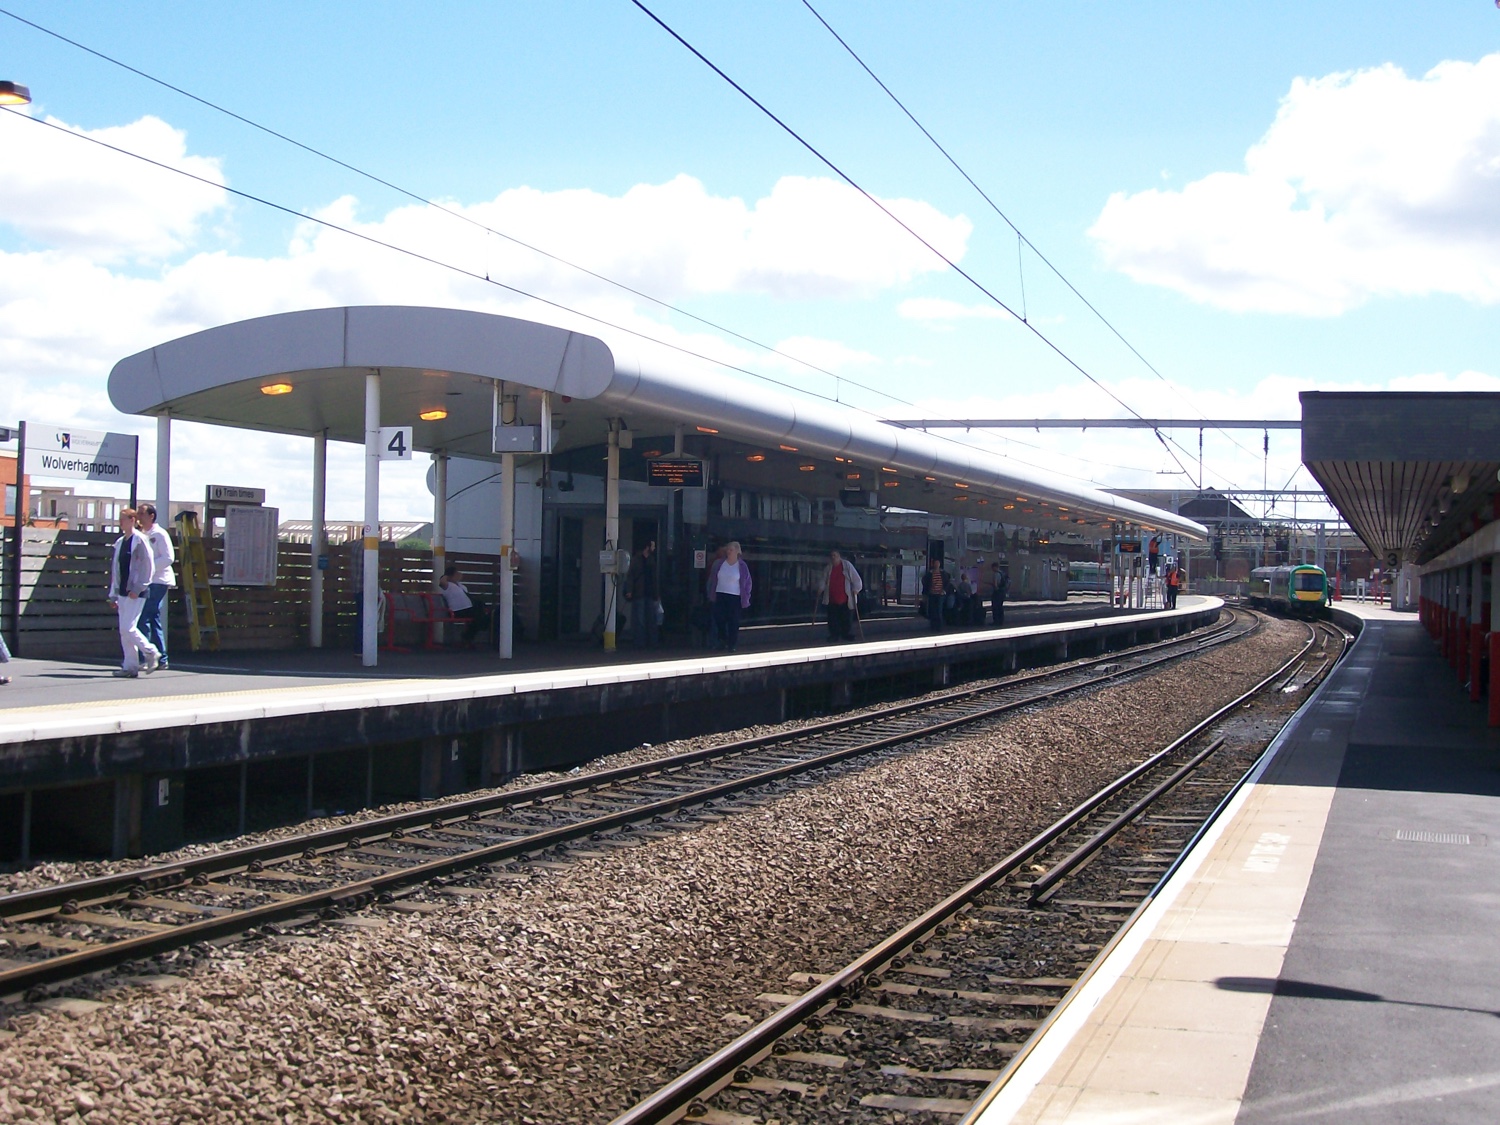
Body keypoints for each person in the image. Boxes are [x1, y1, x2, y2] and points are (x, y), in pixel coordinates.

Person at [107, 508, 160, 678]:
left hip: (136, 592)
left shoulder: (140, 540)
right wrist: (113, 594)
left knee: (128, 628)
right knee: (124, 630)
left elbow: (147, 566)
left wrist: (138, 588)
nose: (120, 522)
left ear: (132, 520)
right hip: (122, 591)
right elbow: (117, 570)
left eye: (123, 519)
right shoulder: (121, 542)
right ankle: (130, 666)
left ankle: (151, 651)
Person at [136, 502, 176, 670]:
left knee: (144, 616)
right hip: (146, 580)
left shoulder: (159, 534)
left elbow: (168, 558)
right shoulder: (141, 534)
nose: (139, 517)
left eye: (142, 514)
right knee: (153, 618)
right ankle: (162, 657)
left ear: (151, 516)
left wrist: (149, 567)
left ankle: (146, 656)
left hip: (158, 581)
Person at [706, 540, 751, 652]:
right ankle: (722, 639)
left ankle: (732, 644)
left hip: (735, 596)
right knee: (719, 618)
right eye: (728, 549)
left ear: (737, 551)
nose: (728, 551)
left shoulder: (742, 566)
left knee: (733, 621)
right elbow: (712, 579)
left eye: (731, 549)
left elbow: (748, 582)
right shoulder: (719, 563)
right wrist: (710, 592)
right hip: (720, 594)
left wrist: (746, 595)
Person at [817, 550, 863, 642]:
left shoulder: (847, 565)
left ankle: (846, 634)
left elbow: (856, 578)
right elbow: (823, 579)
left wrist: (856, 589)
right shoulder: (828, 568)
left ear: (839, 556)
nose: (833, 557)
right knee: (833, 619)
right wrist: (820, 588)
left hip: (845, 598)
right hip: (832, 598)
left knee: (846, 618)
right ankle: (834, 635)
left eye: (835, 555)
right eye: (832, 555)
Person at [439, 564, 487, 646]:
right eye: (456, 573)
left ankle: (468, 637)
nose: (459, 574)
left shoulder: (461, 586)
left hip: (467, 609)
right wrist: (447, 575)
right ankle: (467, 637)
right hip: (457, 610)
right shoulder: (448, 586)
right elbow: (442, 581)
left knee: (479, 616)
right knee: (478, 617)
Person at [627, 539, 660, 649]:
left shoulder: (650, 560)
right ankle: (640, 643)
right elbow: (631, 576)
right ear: (647, 547)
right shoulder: (637, 560)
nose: (654, 548)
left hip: (649, 593)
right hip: (640, 593)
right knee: (640, 619)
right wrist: (629, 591)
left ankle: (650, 642)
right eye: (652, 546)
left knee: (651, 618)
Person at [921, 558, 945, 631]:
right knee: (933, 610)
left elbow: (946, 582)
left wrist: (944, 590)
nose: (937, 565)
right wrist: (927, 591)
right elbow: (925, 581)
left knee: (939, 610)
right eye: (935, 563)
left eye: (938, 563)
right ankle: (933, 626)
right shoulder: (930, 574)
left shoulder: (943, 573)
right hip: (932, 594)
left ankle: (939, 626)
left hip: (940, 594)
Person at [990, 562, 1010, 627]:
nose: (992, 569)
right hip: (1002, 592)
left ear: (995, 567)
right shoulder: (1002, 573)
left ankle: (996, 621)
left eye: (992, 567)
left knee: (995, 607)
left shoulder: (996, 574)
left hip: (997, 592)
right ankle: (1001, 621)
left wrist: (994, 587)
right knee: (1000, 607)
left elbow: (995, 585)